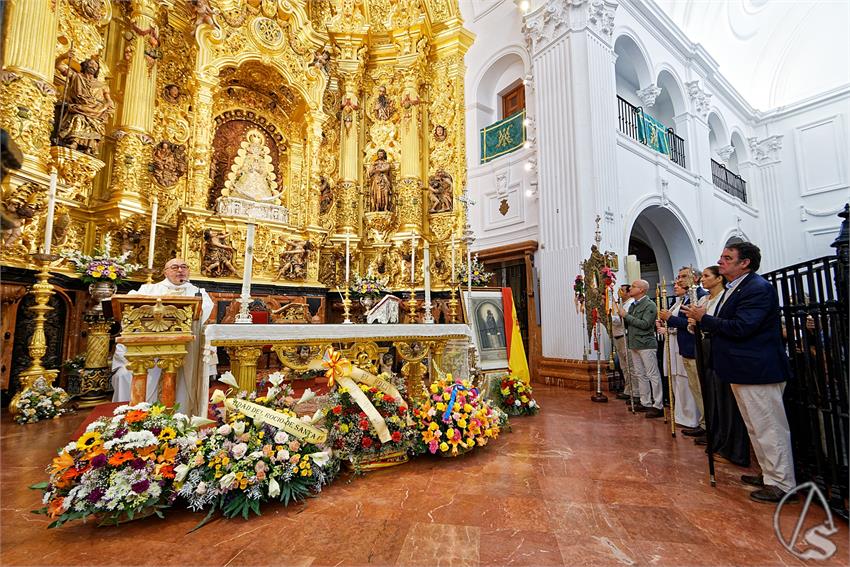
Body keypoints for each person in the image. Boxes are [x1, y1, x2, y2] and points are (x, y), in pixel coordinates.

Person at [683, 242, 794, 502]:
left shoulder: (757, 288)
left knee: (769, 427)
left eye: (727, 258)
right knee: (755, 427)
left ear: (744, 263)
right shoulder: (736, 288)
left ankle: (783, 483)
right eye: (721, 257)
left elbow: (743, 326)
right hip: (742, 369)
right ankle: (769, 474)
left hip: (758, 368)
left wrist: (704, 319)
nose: (720, 261)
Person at [111, 258, 216, 417]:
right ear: (165, 272)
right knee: (127, 374)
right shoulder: (149, 289)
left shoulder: (198, 292)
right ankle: (138, 415)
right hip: (149, 348)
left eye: (184, 267)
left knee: (182, 382)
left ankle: (180, 414)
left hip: (184, 349)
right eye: (174, 267)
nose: (180, 270)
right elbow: (129, 304)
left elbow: (203, 312)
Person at [688, 265, 751, 466]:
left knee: (724, 397)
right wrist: (694, 324)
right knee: (711, 395)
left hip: (719, 347)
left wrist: (703, 320)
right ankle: (716, 438)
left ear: (718, 279)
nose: (702, 279)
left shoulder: (725, 297)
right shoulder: (705, 299)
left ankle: (732, 446)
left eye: (707, 276)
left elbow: (724, 323)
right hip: (705, 345)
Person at [660, 267, 707, 435]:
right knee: (695, 388)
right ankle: (702, 424)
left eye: (683, 276)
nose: (678, 280)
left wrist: (670, 319)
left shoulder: (701, 297)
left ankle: (706, 426)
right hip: (684, 348)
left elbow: (691, 324)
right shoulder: (685, 299)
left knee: (700, 389)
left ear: (695, 278)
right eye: (678, 277)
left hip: (694, 347)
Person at [617, 279, 663, 418]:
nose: (630, 288)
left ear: (642, 290)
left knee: (652, 374)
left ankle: (658, 404)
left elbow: (645, 324)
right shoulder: (633, 305)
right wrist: (623, 318)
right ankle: (645, 401)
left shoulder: (649, 305)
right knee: (640, 374)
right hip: (634, 343)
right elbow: (629, 324)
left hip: (646, 344)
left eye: (634, 286)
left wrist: (626, 316)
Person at [58, 58, 115, 155]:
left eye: (96, 66)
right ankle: (75, 142)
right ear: (85, 65)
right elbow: (58, 65)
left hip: (96, 111)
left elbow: (109, 101)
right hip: (80, 107)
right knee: (78, 118)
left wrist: (104, 108)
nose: (93, 67)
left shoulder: (102, 85)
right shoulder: (76, 77)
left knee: (95, 123)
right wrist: (65, 55)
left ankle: (89, 147)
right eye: (91, 64)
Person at [610, 284, 636, 403]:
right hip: (618, 336)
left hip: (624, 336)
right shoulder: (621, 303)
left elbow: (622, 320)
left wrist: (609, 316)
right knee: (624, 366)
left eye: (622, 290)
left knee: (630, 365)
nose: (619, 292)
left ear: (628, 292)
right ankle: (628, 389)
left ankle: (634, 391)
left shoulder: (630, 304)